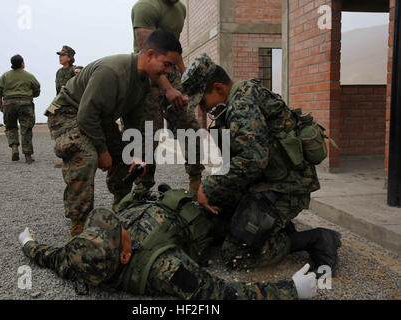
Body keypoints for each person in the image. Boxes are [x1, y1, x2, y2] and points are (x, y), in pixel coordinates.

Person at [181, 53, 341, 275]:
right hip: (267, 181)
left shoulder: (242, 105)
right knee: (215, 212)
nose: (203, 109)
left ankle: (315, 239)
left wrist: (208, 187)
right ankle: (271, 227)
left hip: (287, 188)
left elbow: (253, 159)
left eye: (203, 101)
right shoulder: (237, 100)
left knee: (237, 254)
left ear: (218, 88)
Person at [18, 181, 318, 300]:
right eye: (117, 231)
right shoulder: (165, 269)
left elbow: (50, 255)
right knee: (243, 239)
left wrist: (27, 243)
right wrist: (291, 291)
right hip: (196, 221)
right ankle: (306, 239)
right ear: (125, 256)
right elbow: (223, 293)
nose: (117, 223)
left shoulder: (79, 257)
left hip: (163, 200)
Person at [45, 29, 184, 237]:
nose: (166, 72)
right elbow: (85, 116)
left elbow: (133, 122)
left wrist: (135, 155)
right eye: (166, 64)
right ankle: (79, 226)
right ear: (149, 54)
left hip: (98, 117)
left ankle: (120, 209)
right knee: (86, 156)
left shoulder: (144, 82)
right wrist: (102, 151)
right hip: (68, 113)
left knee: (126, 160)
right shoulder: (112, 72)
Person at [129, 0, 204, 201]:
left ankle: (196, 184)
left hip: (169, 73)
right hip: (146, 75)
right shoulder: (145, 7)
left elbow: (174, 50)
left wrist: (184, 78)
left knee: (189, 126)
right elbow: (149, 56)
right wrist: (168, 89)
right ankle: (141, 190)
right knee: (147, 135)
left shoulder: (180, 9)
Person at [0, 54, 40, 164]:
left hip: (9, 104)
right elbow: (37, 89)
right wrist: (30, 95)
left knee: (10, 127)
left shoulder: (5, 76)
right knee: (26, 129)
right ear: (22, 63)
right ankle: (28, 156)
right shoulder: (29, 75)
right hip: (25, 104)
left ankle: (14, 147)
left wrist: (1, 104)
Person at [54, 47, 79, 169]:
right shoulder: (59, 72)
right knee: (58, 129)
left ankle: (70, 157)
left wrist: (80, 70)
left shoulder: (74, 70)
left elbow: (82, 71)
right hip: (60, 104)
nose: (60, 57)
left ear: (70, 57)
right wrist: (53, 108)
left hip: (72, 106)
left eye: (63, 55)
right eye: (60, 55)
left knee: (70, 131)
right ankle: (64, 155)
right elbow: (57, 91)